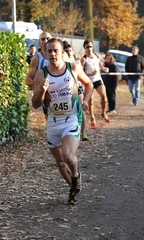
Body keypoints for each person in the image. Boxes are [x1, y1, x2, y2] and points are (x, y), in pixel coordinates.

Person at [32, 38, 94, 205]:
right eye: (49, 51)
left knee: (68, 156)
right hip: (52, 122)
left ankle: (76, 176)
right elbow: (35, 104)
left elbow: (89, 84)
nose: (52, 54)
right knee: (59, 161)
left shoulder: (72, 68)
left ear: (62, 52)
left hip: (71, 119)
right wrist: (42, 92)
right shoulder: (41, 74)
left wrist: (85, 100)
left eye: (55, 51)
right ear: (45, 53)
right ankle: (73, 187)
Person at [80, 40, 110, 127]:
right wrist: (90, 74)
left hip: (97, 79)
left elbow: (99, 64)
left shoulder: (97, 56)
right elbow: (81, 73)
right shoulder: (84, 59)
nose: (89, 48)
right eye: (87, 47)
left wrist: (104, 68)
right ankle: (92, 117)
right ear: (84, 48)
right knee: (91, 101)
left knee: (104, 96)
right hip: (89, 82)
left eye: (91, 46)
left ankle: (103, 113)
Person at [63, 41, 89, 141]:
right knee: (69, 109)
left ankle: (83, 132)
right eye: (67, 51)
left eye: (70, 50)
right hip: (66, 89)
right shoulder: (62, 60)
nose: (69, 52)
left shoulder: (75, 61)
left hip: (77, 87)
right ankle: (71, 129)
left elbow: (81, 76)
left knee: (80, 108)